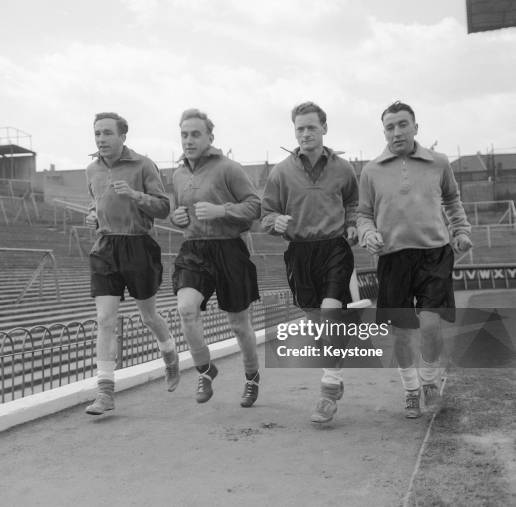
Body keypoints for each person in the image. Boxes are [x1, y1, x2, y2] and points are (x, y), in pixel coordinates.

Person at [357, 101, 472, 418]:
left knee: (431, 323)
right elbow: (363, 214)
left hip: (435, 254)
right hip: (393, 258)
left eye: (402, 124)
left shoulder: (438, 162)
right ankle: (410, 389)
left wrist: (460, 230)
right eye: (390, 127)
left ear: (415, 127)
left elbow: (452, 199)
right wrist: (368, 235)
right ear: (384, 132)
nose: (396, 132)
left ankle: (430, 381)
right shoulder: (371, 171)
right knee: (402, 331)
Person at [261, 101, 359, 423]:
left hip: (334, 248)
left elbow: (354, 204)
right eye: (300, 128)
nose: (305, 133)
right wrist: (273, 221)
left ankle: (329, 390)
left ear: (324, 129)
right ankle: (336, 363)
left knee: (330, 314)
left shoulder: (344, 169)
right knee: (320, 323)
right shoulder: (281, 172)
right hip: (299, 253)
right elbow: (265, 214)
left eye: (311, 127)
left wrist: (355, 224)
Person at [84, 112, 179, 415]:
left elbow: (164, 207)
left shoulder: (143, 164)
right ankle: (105, 391)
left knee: (148, 316)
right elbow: (97, 202)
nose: (101, 139)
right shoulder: (92, 170)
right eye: (97, 133)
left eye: (107, 133)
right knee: (105, 320)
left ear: (123, 136)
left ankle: (170, 352)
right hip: (105, 246)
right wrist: (92, 214)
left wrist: (136, 195)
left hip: (139, 246)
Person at [171, 108, 261, 407]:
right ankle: (205, 369)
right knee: (186, 308)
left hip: (229, 247)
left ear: (210, 137)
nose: (189, 140)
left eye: (195, 134)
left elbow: (254, 207)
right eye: (184, 134)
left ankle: (251, 377)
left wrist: (222, 210)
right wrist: (177, 218)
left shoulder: (229, 168)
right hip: (194, 249)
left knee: (238, 323)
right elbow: (177, 215)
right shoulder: (178, 174)